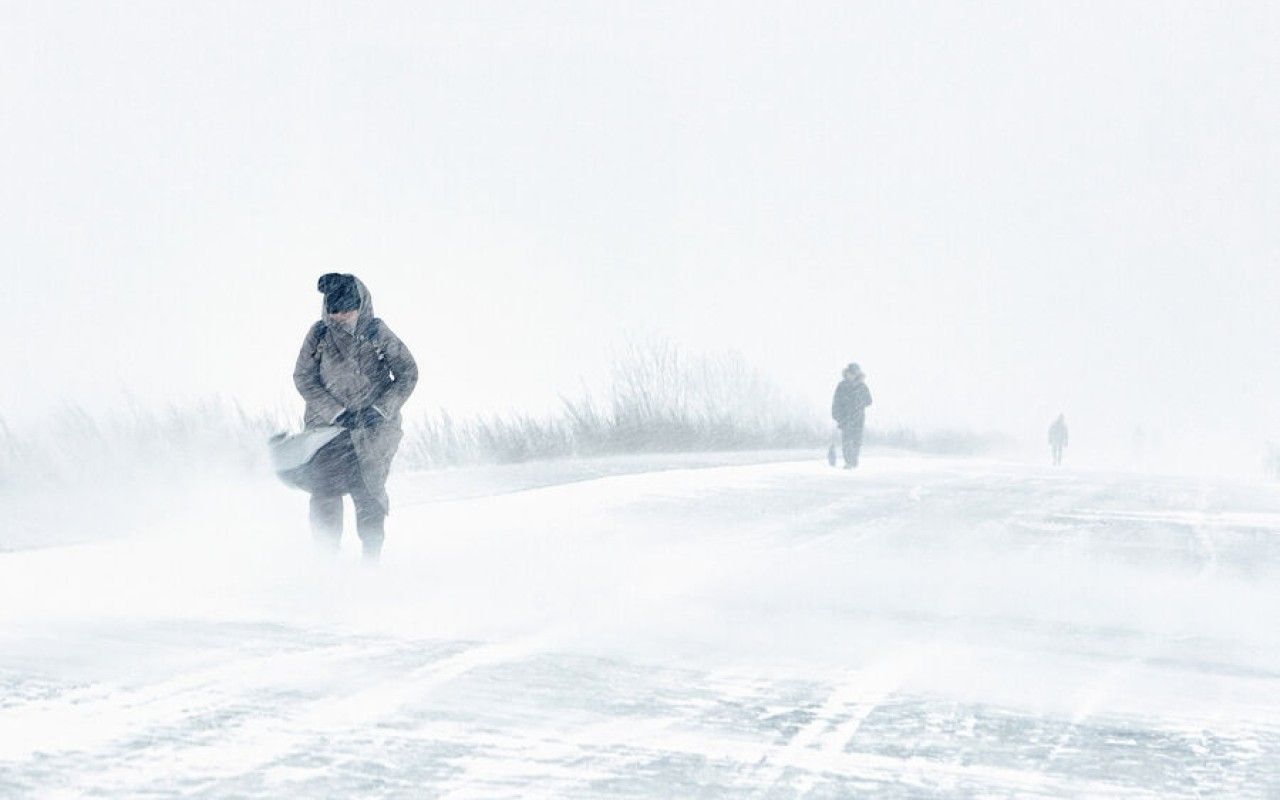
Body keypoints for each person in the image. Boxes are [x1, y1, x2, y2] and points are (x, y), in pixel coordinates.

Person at [293, 273, 418, 561]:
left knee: (369, 494)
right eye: (334, 311)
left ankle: (371, 561)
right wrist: (335, 412)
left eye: (346, 310)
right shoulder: (318, 334)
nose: (340, 317)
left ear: (359, 305)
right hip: (328, 432)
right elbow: (303, 377)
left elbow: (408, 373)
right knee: (324, 493)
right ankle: (326, 561)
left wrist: (380, 410)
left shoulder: (377, 332)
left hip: (372, 433)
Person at [830, 363, 873, 469]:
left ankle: (853, 462)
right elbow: (836, 402)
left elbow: (869, 401)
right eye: (850, 373)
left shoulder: (862, 387)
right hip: (845, 419)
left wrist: (859, 403)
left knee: (856, 441)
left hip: (858, 419)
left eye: (853, 373)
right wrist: (837, 415)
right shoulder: (841, 386)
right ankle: (849, 462)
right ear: (847, 373)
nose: (851, 375)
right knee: (847, 441)